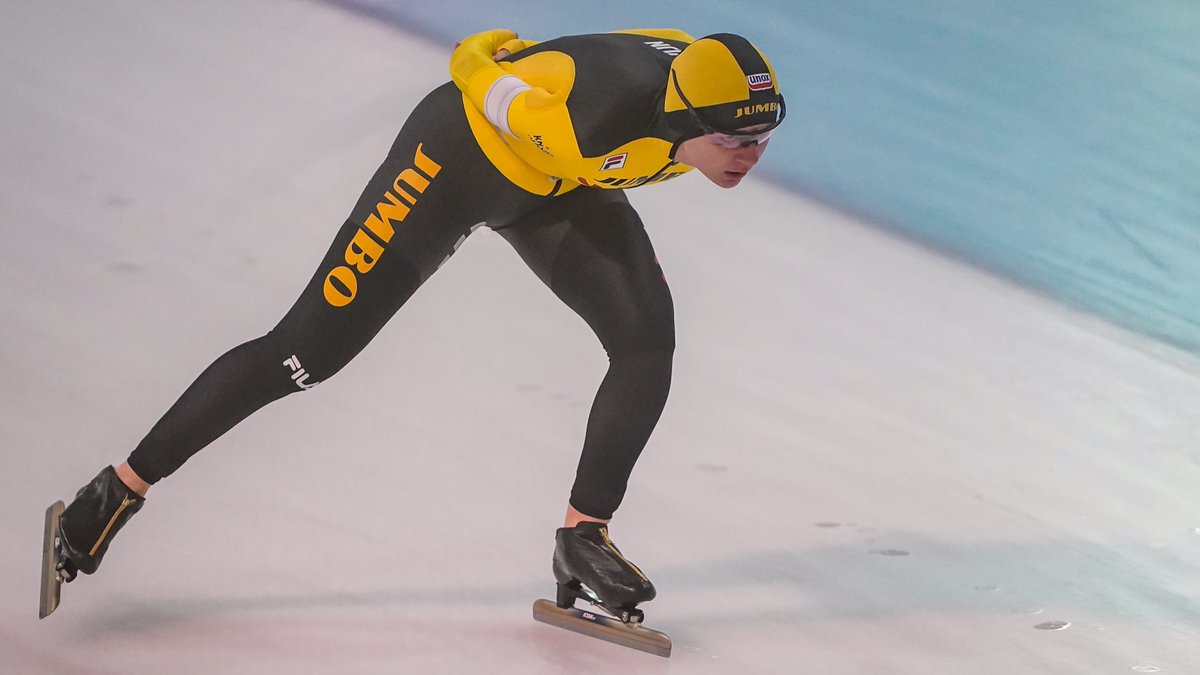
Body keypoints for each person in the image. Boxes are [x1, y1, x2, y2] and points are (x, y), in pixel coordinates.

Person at [46, 28, 785, 625]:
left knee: (646, 344)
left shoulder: (696, 91)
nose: (749, 157)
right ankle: (115, 490)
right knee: (304, 354)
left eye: (762, 138)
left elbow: (669, 51)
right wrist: (476, 54)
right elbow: (476, 73)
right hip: (461, 157)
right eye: (733, 142)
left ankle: (582, 539)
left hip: (562, 188)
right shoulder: (587, 121)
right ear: (685, 121)